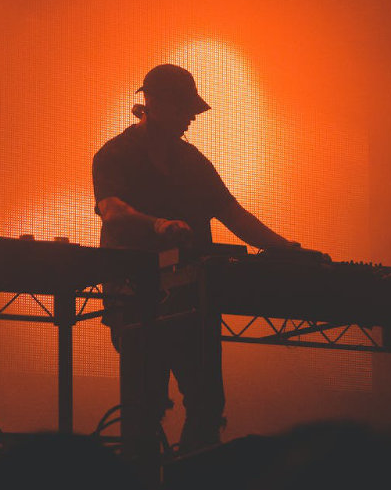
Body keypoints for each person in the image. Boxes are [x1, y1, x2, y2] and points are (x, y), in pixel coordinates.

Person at [93, 63, 298, 453]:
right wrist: (158, 226)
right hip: (136, 299)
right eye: (183, 108)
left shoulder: (193, 162)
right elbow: (114, 211)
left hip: (194, 298)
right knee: (144, 407)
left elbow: (233, 213)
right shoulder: (116, 155)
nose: (190, 117)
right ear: (151, 103)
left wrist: (286, 249)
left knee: (206, 404)